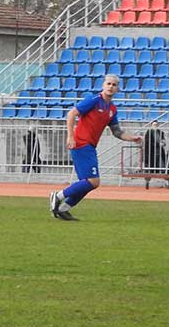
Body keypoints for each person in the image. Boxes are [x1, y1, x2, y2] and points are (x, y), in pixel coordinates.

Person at [50, 73, 140, 221]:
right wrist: (70, 136)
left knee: (87, 183)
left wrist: (132, 138)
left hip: (90, 146)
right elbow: (72, 113)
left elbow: (117, 132)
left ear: (118, 89)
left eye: (114, 85)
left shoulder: (112, 109)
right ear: (103, 85)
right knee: (93, 181)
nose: (111, 87)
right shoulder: (93, 100)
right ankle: (58, 196)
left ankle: (63, 209)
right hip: (81, 143)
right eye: (108, 84)